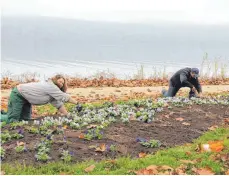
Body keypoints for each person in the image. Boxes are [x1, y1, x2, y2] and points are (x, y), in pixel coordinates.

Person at [0, 74, 79, 123]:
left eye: (62, 83)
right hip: (18, 95)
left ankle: (6, 113)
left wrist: (67, 115)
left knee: (25, 120)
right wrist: (77, 104)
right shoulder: (50, 86)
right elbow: (64, 97)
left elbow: (59, 105)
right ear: (55, 79)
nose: (61, 83)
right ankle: (4, 115)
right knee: (13, 121)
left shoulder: (53, 94)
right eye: (60, 81)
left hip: (27, 99)